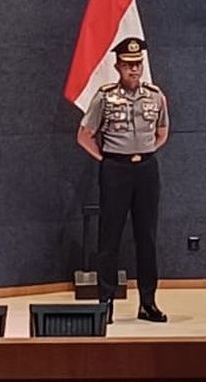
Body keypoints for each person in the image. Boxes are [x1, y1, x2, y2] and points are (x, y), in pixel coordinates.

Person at [76, 36, 170, 324]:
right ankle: (105, 302)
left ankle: (148, 302)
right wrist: (107, 159)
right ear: (117, 66)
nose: (134, 69)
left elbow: (162, 131)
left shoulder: (155, 96)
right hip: (115, 169)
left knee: (147, 237)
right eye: (128, 65)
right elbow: (84, 136)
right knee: (110, 237)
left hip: (146, 169)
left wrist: (144, 151)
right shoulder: (105, 97)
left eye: (138, 64)